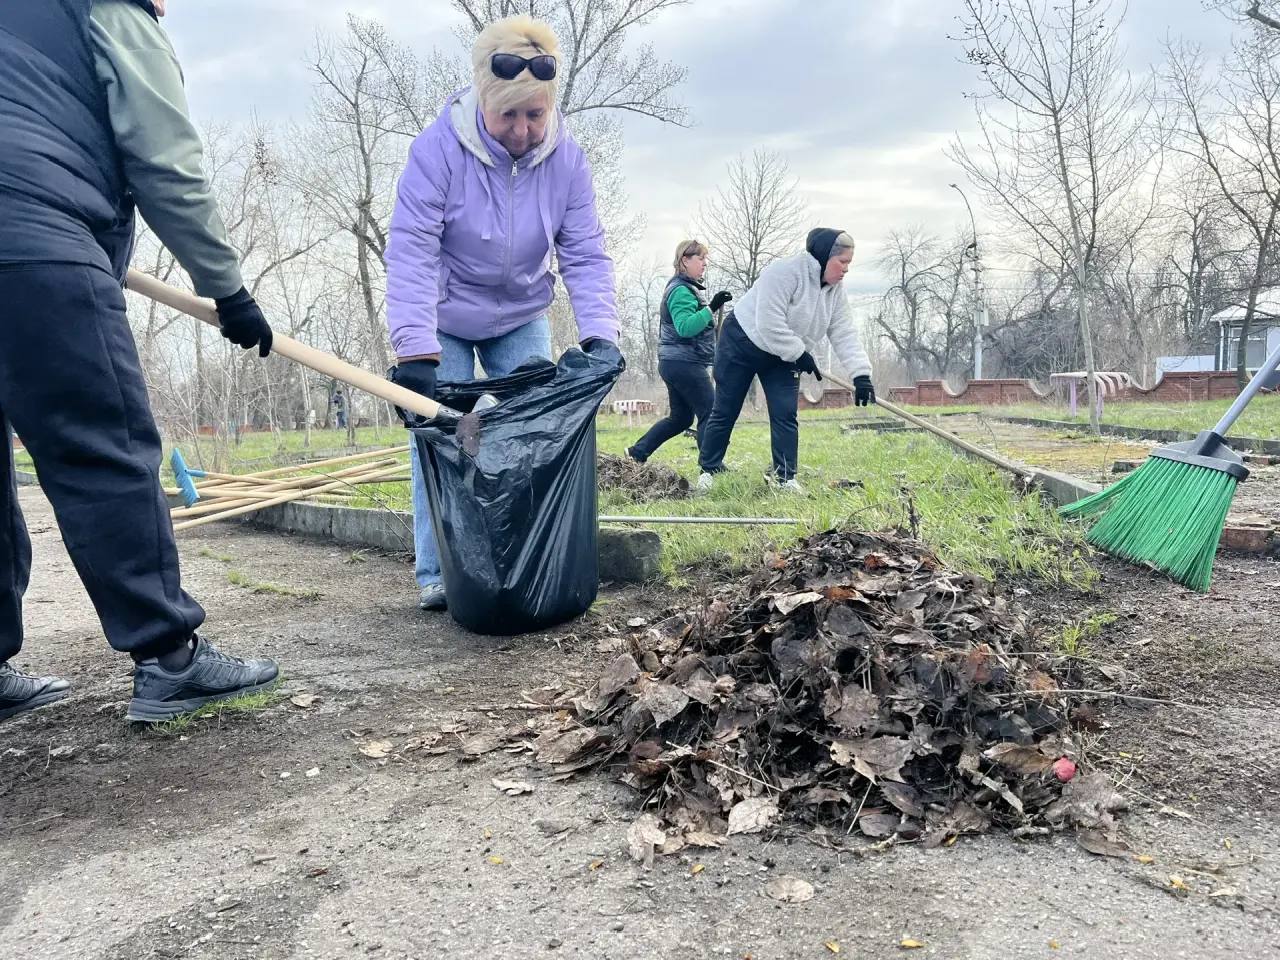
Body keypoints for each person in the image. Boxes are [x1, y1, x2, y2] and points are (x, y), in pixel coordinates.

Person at [0, 0, 279, 724]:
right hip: (29, 235)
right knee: (104, 443)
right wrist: (228, 288)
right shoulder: (108, 7)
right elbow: (165, 162)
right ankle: (170, 659)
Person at [385, 15, 620, 613]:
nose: (521, 130)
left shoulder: (567, 161)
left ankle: (529, 562)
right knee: (444, 438)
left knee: (535, 435)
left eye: (534, 115)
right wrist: (415, 351)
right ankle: (439, 571)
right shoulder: (438, 150)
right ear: (483, 102)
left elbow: (586, 252)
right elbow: (411, 248)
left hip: (521, 311)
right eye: (508, 115)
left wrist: (600, 335)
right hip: (445, 314)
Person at [696, 228, 875, 494]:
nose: (846, 269)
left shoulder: (836, 292)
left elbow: (844, 331)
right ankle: (708, 471)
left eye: (849, 263)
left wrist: (861, 374)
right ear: (826, 257)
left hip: (783, 354)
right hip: (742, 342)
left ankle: (785, 478)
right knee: (725, 409)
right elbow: (768, 323)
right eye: (843, 262)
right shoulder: (783, 272)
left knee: (785, 413)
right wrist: (799, 353)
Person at [625, 241, 731, 463]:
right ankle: (711, 466)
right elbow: (685, 328)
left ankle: (637, 453)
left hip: (675, 362)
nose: (705, 264)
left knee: (681, 418)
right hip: (685, 363)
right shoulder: (681, 291)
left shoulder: (685, 288)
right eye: (700, 259)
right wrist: (710, 308)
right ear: (685, 260)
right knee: (710, 412)